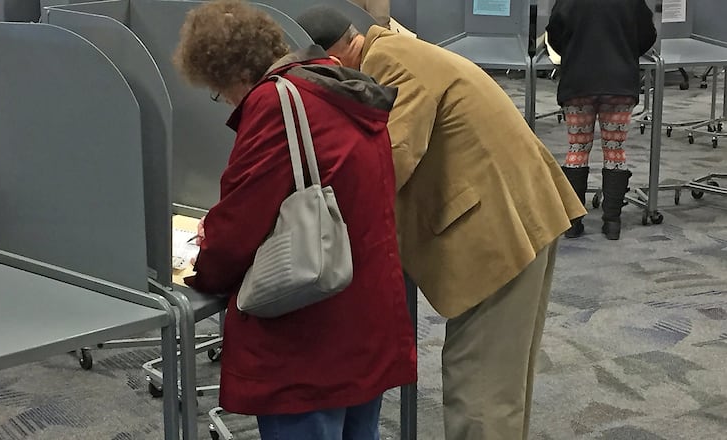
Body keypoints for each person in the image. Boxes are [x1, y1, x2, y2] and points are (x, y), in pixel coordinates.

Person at [296, 7, 586, 440]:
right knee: (502, 384)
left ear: (333, 57)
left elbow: (386, 162)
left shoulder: (388, 64)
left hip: (498, 230)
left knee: (479, 386)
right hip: (517, 214)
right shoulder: (395, 51)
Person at [173, 1, 416, 439]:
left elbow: (238, 229)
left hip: (312, 333)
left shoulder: (274, 103)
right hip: (365, 313)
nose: (225, 101)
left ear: (235, 75)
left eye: (219, 90)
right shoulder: (334, 82)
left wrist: (201, 266)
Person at [547, 0, 657, 240]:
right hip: (618, 82)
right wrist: (624, 50)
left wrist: (576, 51)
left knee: (577, 147)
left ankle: (574, 223)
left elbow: (554, 35)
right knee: (615, 150)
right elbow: (648, 35)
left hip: (578, 82)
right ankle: (612, 222)